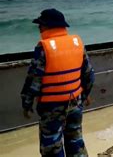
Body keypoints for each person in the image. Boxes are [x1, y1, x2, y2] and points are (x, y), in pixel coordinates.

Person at [21, 8, 95, 156]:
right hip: (75, 101)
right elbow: (89, 74)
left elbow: (34, 80)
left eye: (40, 24)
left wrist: (26, 104)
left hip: (51, 106)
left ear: (47, 26)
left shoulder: (44, 47)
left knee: (52, 145)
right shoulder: (77, 42)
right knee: (75, 139)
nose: (39, 27)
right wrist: (86, 94)